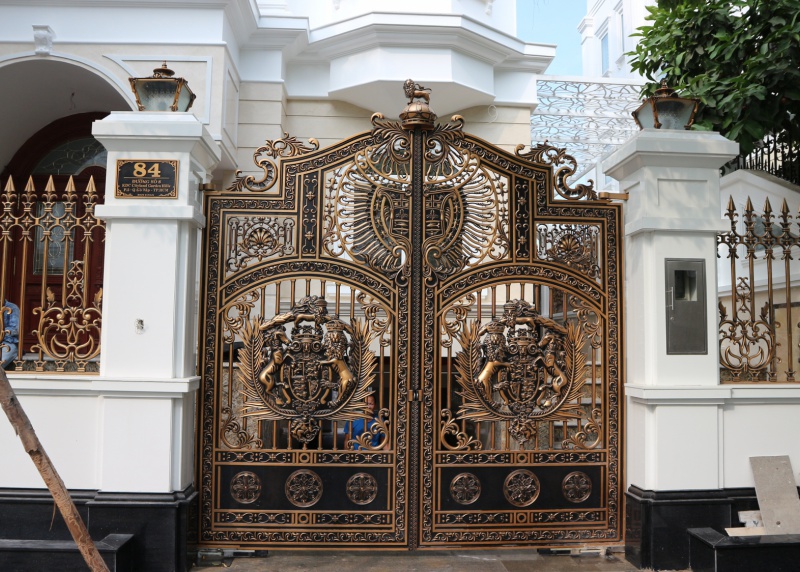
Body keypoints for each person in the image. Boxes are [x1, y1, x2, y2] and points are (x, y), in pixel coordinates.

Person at [1, 300, 19, 370]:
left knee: (1, 361)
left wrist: (2, 332)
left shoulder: (12, 307)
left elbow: (16, 329)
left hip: (8, 343)